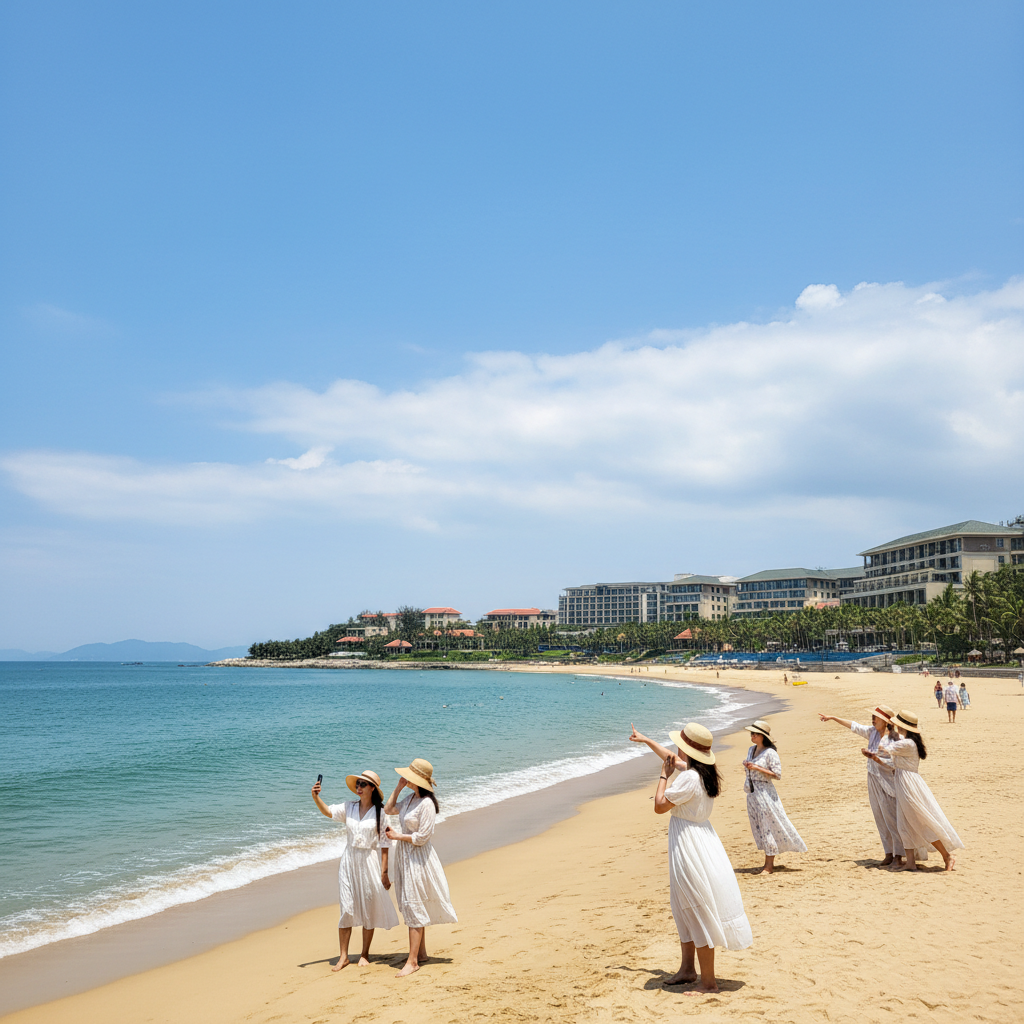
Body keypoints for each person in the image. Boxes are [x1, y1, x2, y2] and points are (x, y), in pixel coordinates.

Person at [629, 722, 752, 994]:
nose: (675, 750)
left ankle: (708, 983)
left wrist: (663, 776)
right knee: (684, 906)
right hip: (702, 839)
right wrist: (646, 740)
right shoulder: (703, 772)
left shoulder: (688, 779)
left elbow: (659, 806)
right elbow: (671, 759)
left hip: (688, 844)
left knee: (695, 908)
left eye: (679, 746)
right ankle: (687, 969)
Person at [311, 770, 398, 969]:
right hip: (348, 861)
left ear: (372, 788)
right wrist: (316, 797)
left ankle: (364, 954)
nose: (358, 787)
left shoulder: (381, 812)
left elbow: (385, 844)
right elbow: (328, 812)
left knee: (368, 907)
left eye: (363, 784)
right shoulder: (349, 807)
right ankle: (343, 956)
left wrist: (385, 872)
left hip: (368, 861)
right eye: (357, 783)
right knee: (347, 908)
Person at [383, 759, 457, 978]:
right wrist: (398, 788)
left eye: (409, 777)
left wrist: (398, 836)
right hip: (405, 857)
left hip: (418, 858)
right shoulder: (410, 799)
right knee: (410, 902)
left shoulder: (426, 804)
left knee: (414, 903)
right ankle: (421, 953)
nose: (406, 779)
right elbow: (388, 809)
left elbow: (423, 837)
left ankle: (412, 961)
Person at [863, 710, 962, 871]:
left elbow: (884, 748)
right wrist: (874, 758)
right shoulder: (907, 742)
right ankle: (910, 863)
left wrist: (881, 740)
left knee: (920, 821)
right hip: (902, 782)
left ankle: (947, 855)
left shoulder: (907, 743)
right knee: (903, 824)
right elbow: (893, 764)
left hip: (909, 785)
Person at [817, 705, 906, 867]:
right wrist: (833, 718)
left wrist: (875, 758)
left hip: (888, 781)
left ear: (886, 721)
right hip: (872, 779)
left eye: (876, 717)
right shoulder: (872, 732)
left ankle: (898, 855)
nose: (873, 719)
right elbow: (854, 726)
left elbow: (896, 764)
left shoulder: (895, 739)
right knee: (879, 817)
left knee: (891, 818)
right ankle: (888, 853)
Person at [742, 721, 807, 873]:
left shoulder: (770, 753)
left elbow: (777, 774)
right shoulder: (751, 750)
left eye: (755, 734)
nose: (752, 736)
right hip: (752, 792)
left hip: (765, 792)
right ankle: (767, 863)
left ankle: (769, 866)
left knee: (767, 826)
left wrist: (757, 767)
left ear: (763, 736)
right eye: (751, 733)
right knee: (759, 827)